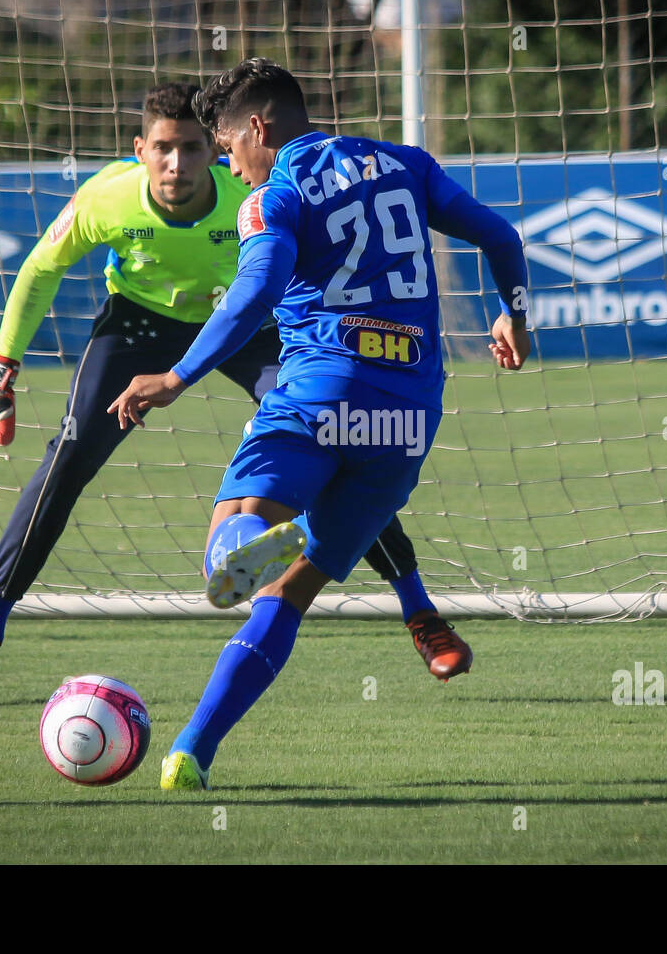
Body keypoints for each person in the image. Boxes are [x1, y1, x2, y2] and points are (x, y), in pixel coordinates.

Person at [0, 82, 468, 700]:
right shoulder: (106, 197)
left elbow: (264, 291)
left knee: (339, 432)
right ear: (140, 150)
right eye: (163, 148)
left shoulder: (250, 198)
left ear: (216, 151)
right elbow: (39, 268)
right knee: (68, 456)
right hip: (139, 324)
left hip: (240, 327)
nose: (178, 164)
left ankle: (421, 612)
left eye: (193, 149)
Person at [107, 59, 530, 789]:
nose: (229, 166)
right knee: (289, 596)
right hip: (406, 418)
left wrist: (176, 376)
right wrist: (515, 315)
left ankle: (270, 539)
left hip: (321, 392)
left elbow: (257, 289)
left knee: (227, 547)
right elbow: (499, 235)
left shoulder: (276, 193)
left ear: (259, 129)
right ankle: (190, 752)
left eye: (227, 145)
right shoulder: (406, 164)